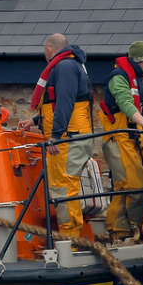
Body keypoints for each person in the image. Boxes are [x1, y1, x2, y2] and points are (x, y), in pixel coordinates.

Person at [27, 33, 95, 239]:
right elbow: (62, 104)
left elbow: (65, 101)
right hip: (72, 133)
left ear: (49, 50)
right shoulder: (73, 66)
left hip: (67, 138)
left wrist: (55, 136)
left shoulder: (64, 67)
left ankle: (70, 240)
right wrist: (36, 121)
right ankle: (73, 236)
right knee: (68, 186)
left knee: (62, 187)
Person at [97, 40, 143, 244]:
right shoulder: (119, 78)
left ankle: (122, 230)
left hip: (132, 140)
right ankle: (127, 231)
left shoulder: (141, 81)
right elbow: (125, 104)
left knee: (126, 186)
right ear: (138, 61)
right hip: (118, 139)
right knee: (133, 185)